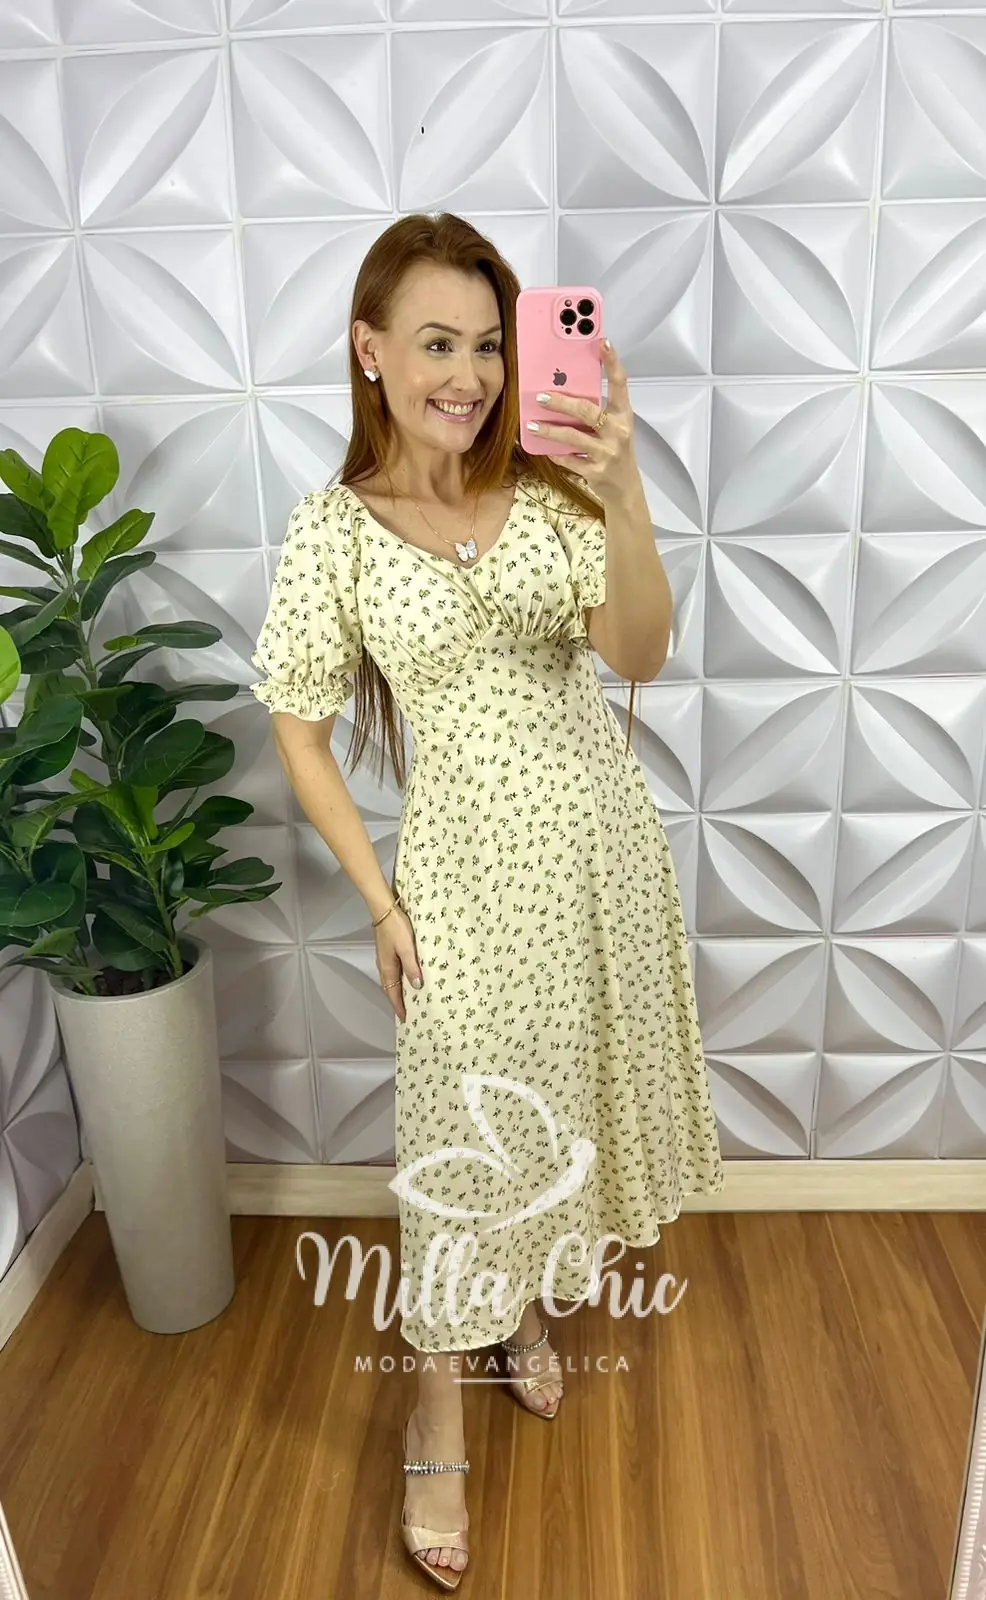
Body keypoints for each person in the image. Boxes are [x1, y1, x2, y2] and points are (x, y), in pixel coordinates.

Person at [250, 212, 724, 1590]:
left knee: (557, 1104)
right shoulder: (334, 532)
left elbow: (639, 653)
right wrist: (379, 902)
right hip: (460, 882)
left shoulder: (557, 488)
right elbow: (297, 730)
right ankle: (434, 1423)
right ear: (370, 351)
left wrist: (625, 491)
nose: (465, 376)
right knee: (460, 1145)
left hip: (599, 862)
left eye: (485, 346)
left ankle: (518, 1309)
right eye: (434, 344)